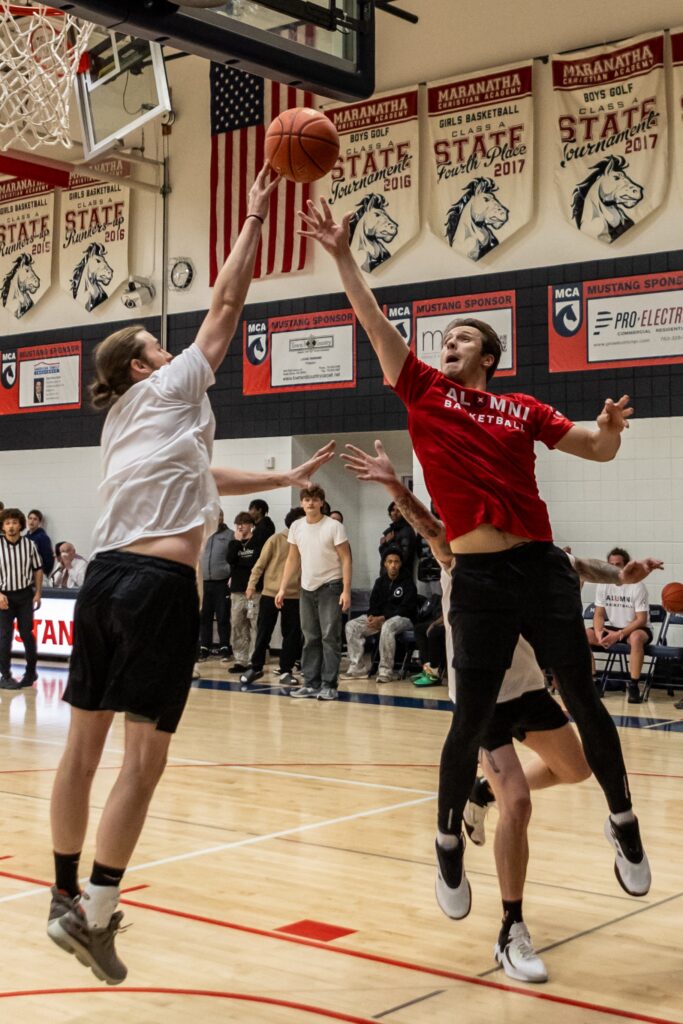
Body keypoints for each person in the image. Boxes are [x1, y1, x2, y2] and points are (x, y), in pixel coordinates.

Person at [300, 197, 649, 925]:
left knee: (585, 701)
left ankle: (622, 826)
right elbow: (371, 323)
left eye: (460, 339)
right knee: (467, 720)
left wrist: (611, 429)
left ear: (487, 356)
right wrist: (340, 255)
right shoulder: (423, 392)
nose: (446, 345)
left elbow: (594, 446)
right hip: (480, 577)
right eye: (443, 339)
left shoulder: (521, 407)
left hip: (540, 565)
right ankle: (448, 842)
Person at [46, 164, 335, 986]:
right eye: (156, 349)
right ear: (143, 368)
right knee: (143, 759)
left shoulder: (136, 425)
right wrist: (251, 219)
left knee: (82, 747)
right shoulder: (169, 388)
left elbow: (203, 477)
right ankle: (97, 911)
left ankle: (62, 890)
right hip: (159, 587)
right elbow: (225, 307)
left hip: (103, 581)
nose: (171, 354)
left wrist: (282, 481)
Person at [341, 438, 663, 982]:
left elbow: (575, 565)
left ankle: (480, 792)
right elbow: (429, 530)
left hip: (529, 688)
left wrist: (622, 577)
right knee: (520, 805)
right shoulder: (460, 553)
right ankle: (511, 930)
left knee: (577, 769)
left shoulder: (534, 554)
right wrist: (397, 487)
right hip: (481, 699)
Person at [275, 484, 351, 701]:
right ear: (302, 503)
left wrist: (346, 590)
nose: (310, 503)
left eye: (315, 499)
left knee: (330, 637)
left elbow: (346, 558)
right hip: (306, 588)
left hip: (331, 586)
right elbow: (292, 559)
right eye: (306, 500)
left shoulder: (334, 526)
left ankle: (329, 684)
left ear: (321, 503)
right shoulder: (296, 527)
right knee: (310, 637)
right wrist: (282, 587)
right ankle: (310, 683)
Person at [240, 506, 306, 688]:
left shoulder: (306, 542)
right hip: (270, 593)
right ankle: (256, 667)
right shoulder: (276, 539)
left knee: (291, 634)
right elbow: (259, 565)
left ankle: (286, 670)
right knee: (263, 631)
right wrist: (251, 585)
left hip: (295, 596)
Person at [587, 546, 652, 704]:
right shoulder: (603, 585)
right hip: (613, 627)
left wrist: (620, 634)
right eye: (611, 564)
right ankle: (594, 682)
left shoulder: (637, 586)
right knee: (583, 635)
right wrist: (598, 632)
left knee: (636, 638)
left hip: (636, 628)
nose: (614, 567)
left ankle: (634, 685)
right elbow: (599, 614)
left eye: (618, 564)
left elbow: (641, 619)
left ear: (626, 566)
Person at [344, 545, 417, 682]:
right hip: (380, 618)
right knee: (351, 625)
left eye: (396, 562)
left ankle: (385, 671)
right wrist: (372, 616)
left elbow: (407, 608)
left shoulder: (407, 582)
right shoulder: (380, 582)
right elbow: (374, 604)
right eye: (390, 562)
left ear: (400, 564)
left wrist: (383, 618)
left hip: (403, 619)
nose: (393, 565)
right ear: (385, 564)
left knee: (387, 626)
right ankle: (358, 667)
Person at [0, 507, 43, 690]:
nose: (11, 526)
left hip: (25, 594)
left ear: (20, 525)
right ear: (2, 526)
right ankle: (5, 675)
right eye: (7, 523)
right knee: (4, 637)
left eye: (14, 522)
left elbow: (38, 569)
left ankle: (31, 671)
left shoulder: (30, 545)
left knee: (27, 634)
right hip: (4, 596)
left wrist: (38, 592)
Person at [226, 512, 259, 674]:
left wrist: (241, 562)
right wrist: (236, 542)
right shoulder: (234, 543)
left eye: (244, 523)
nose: (240, 526)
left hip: (255, 590)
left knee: (255, 625)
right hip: (237, 590)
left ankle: (254, 659)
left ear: (251, 524)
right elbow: (230, 559)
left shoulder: (257, 542)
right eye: (238, 523)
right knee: (238, 625)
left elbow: (254, 563)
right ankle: (241, 660)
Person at [198, 510, 233, 662]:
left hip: (222, 583)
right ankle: (204, 647)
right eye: (215, 515)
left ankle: (224, 647)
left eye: (220, 515)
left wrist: (229, 572)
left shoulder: (229, 535)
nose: (218, 518)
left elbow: (234, 557)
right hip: (204, 582)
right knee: (204, 616)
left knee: (223, 616)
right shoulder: (202, 534)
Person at [378, 501, 416, 572]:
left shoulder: (406, 531)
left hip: (399, 577)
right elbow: (384, 557)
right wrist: (384, 544)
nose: (395, 513)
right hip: (388, 576)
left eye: (398, 511)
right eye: (393, 510)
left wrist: (387, 543)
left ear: (404, 514)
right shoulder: (391, 530)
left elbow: (403, 558)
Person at [26, 508, 54, 576]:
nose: (32, 521)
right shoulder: (25, 538)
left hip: (37, 574)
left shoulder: (43, 538)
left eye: (35, 519)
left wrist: (43, 574)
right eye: (30, 518)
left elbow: (48, 560)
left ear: (39, 522)